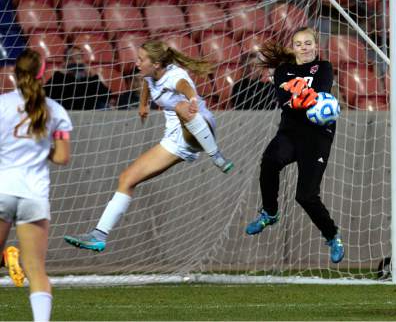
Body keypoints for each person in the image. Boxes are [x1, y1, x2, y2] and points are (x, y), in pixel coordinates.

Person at [63, 40, 233, 252]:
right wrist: (143, 104)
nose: (136, 63)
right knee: (126, 178)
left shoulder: (174, 76)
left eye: (141, 59)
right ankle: (99, 235)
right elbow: (147, 83)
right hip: (175, 140)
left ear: (157, 64)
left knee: (180, 106)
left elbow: (185, 86)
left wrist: (192, 99)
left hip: (200, 125)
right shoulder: (151, 74)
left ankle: (217, 156)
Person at [245, 27, 344, 264]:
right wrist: (303, 99)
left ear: (316, 45)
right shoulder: (283, 70)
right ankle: (270, 212)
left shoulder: (324, 67)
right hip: (290, 132)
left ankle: (332, 236)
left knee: (306, 196)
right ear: (293, 47)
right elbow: (285, 103)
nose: (304, 48)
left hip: (317, 137)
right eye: (299, 44)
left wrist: (301, 97)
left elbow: (319, 94)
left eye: (308, 43)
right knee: (269, 162)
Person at [0, 49, 73, 321]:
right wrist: (42, 151)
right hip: (34, 195)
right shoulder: (55, 110)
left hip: (2, 189)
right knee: (36, 270)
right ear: (43, 74)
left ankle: (7, 256)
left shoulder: (1, 104)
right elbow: (63, 157)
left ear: (14, 73)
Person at [44, 46, 110, 110]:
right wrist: (59, 74)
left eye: (78, 58)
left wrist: (93, 76)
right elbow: (45, 94)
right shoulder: (60, 78)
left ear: (83, 60)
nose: (75, 62)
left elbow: (106, 96)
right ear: (65, 62)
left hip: (90, 112)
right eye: (70, 59)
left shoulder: (89, 78)